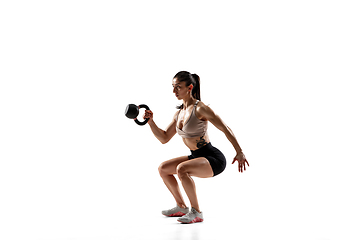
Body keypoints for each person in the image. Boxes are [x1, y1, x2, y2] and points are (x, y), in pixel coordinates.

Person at [144, 71, 249, 224]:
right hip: (196, 155)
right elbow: (164, 138)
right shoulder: (179, 113)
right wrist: (151, 122)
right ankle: (181, 207)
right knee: (163, 169)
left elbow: (225, 128)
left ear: (190, 87)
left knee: (181, 169)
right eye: (173, 87)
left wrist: (239, 152)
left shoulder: (200, 109)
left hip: (213, 158)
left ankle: (196, 212)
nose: (174, 91)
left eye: (178, 87)